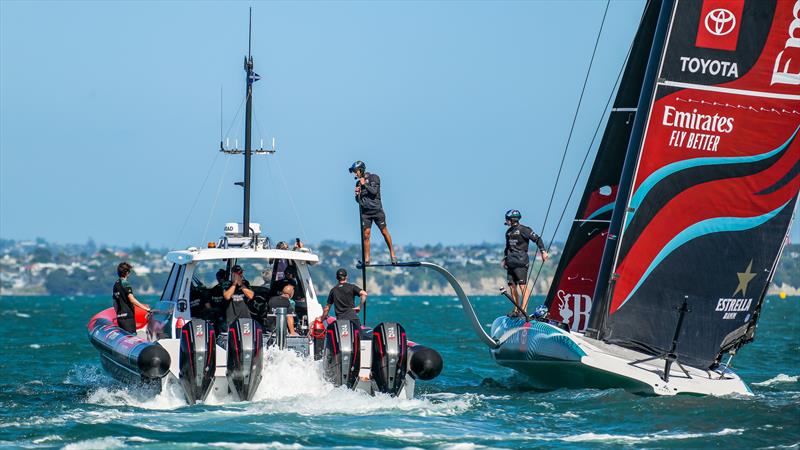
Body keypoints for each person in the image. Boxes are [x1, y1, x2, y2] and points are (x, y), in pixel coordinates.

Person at [502, 209, 548, 317]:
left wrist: (543, 252)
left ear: (512, 220)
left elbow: (537, 239)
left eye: (507, 219)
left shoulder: (524, 230)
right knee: (512, 287)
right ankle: (516, 310)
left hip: (521, 263)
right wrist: (505, 259)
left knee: (523, 286)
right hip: (510, 263)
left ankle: (523, 310)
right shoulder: (508, 232)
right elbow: (507, 247)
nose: (506, 221)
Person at [349, 160, 397, 265]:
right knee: (366, 235)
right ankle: (367, 259)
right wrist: (357, 195)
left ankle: (392, 254)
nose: (354, 173)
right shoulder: (358, 183)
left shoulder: (374, 177)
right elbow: (359, 201)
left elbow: (374, 192)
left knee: (384, 232)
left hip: (377, 210)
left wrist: (364, 184)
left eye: (355, 171)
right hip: (365, 213)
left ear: (361, 170)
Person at [112, 262, 151, 333]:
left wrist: (119, 313)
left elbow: (115, 303)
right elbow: (132, 299)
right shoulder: (126, 283)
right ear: (126, 272)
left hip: (120, 317)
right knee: (131, 337)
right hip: (128, 317)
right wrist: (146, 309)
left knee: (124, 338)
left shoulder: (115, 284)